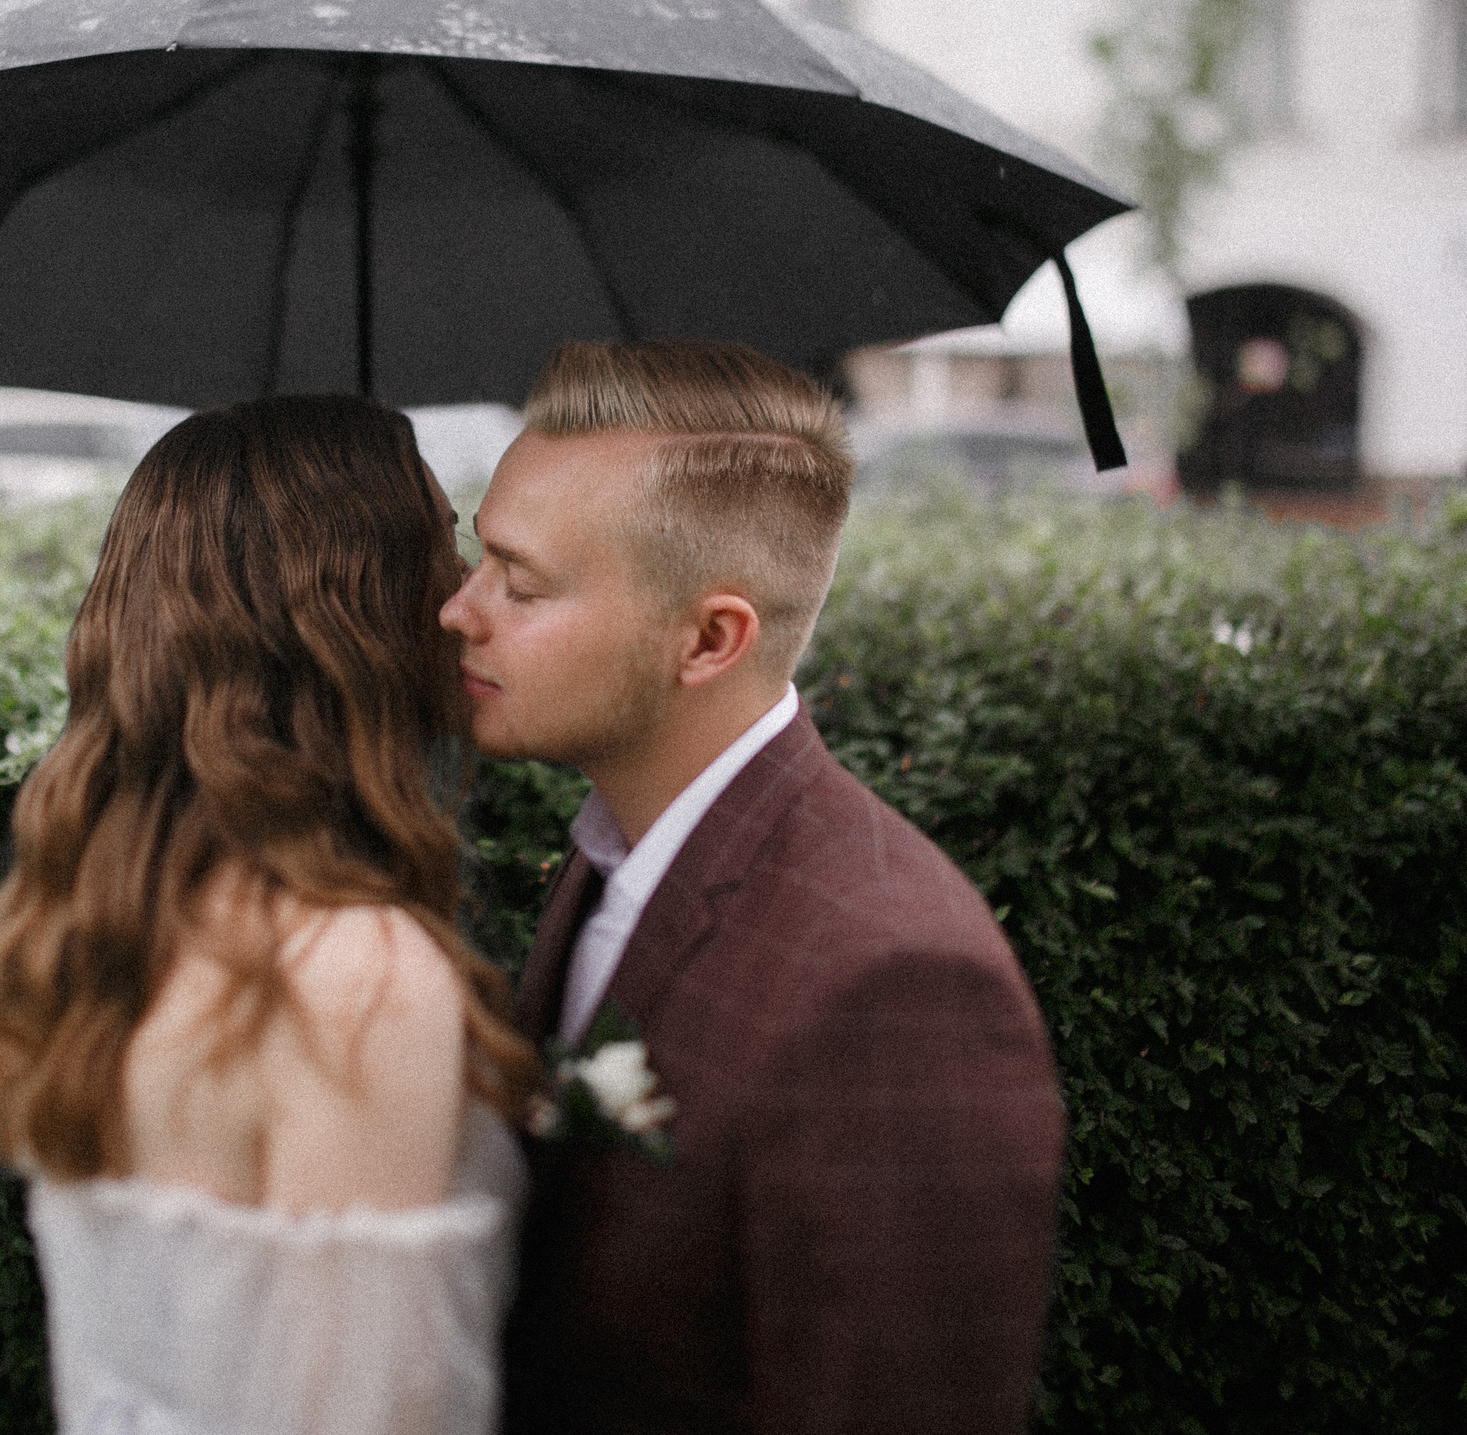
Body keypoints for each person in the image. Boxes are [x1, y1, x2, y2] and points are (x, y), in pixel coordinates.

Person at [441, 340, 1065, 1435]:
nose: (460, 608)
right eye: (476, 558)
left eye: (519, 581)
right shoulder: (612, 857)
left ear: (709, 639)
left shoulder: (891, 986)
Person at [0, 395, 541, 1435]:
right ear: (349, 614)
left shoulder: (115, 918)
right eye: (439, 547)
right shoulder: (350, 971)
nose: (461, 600)